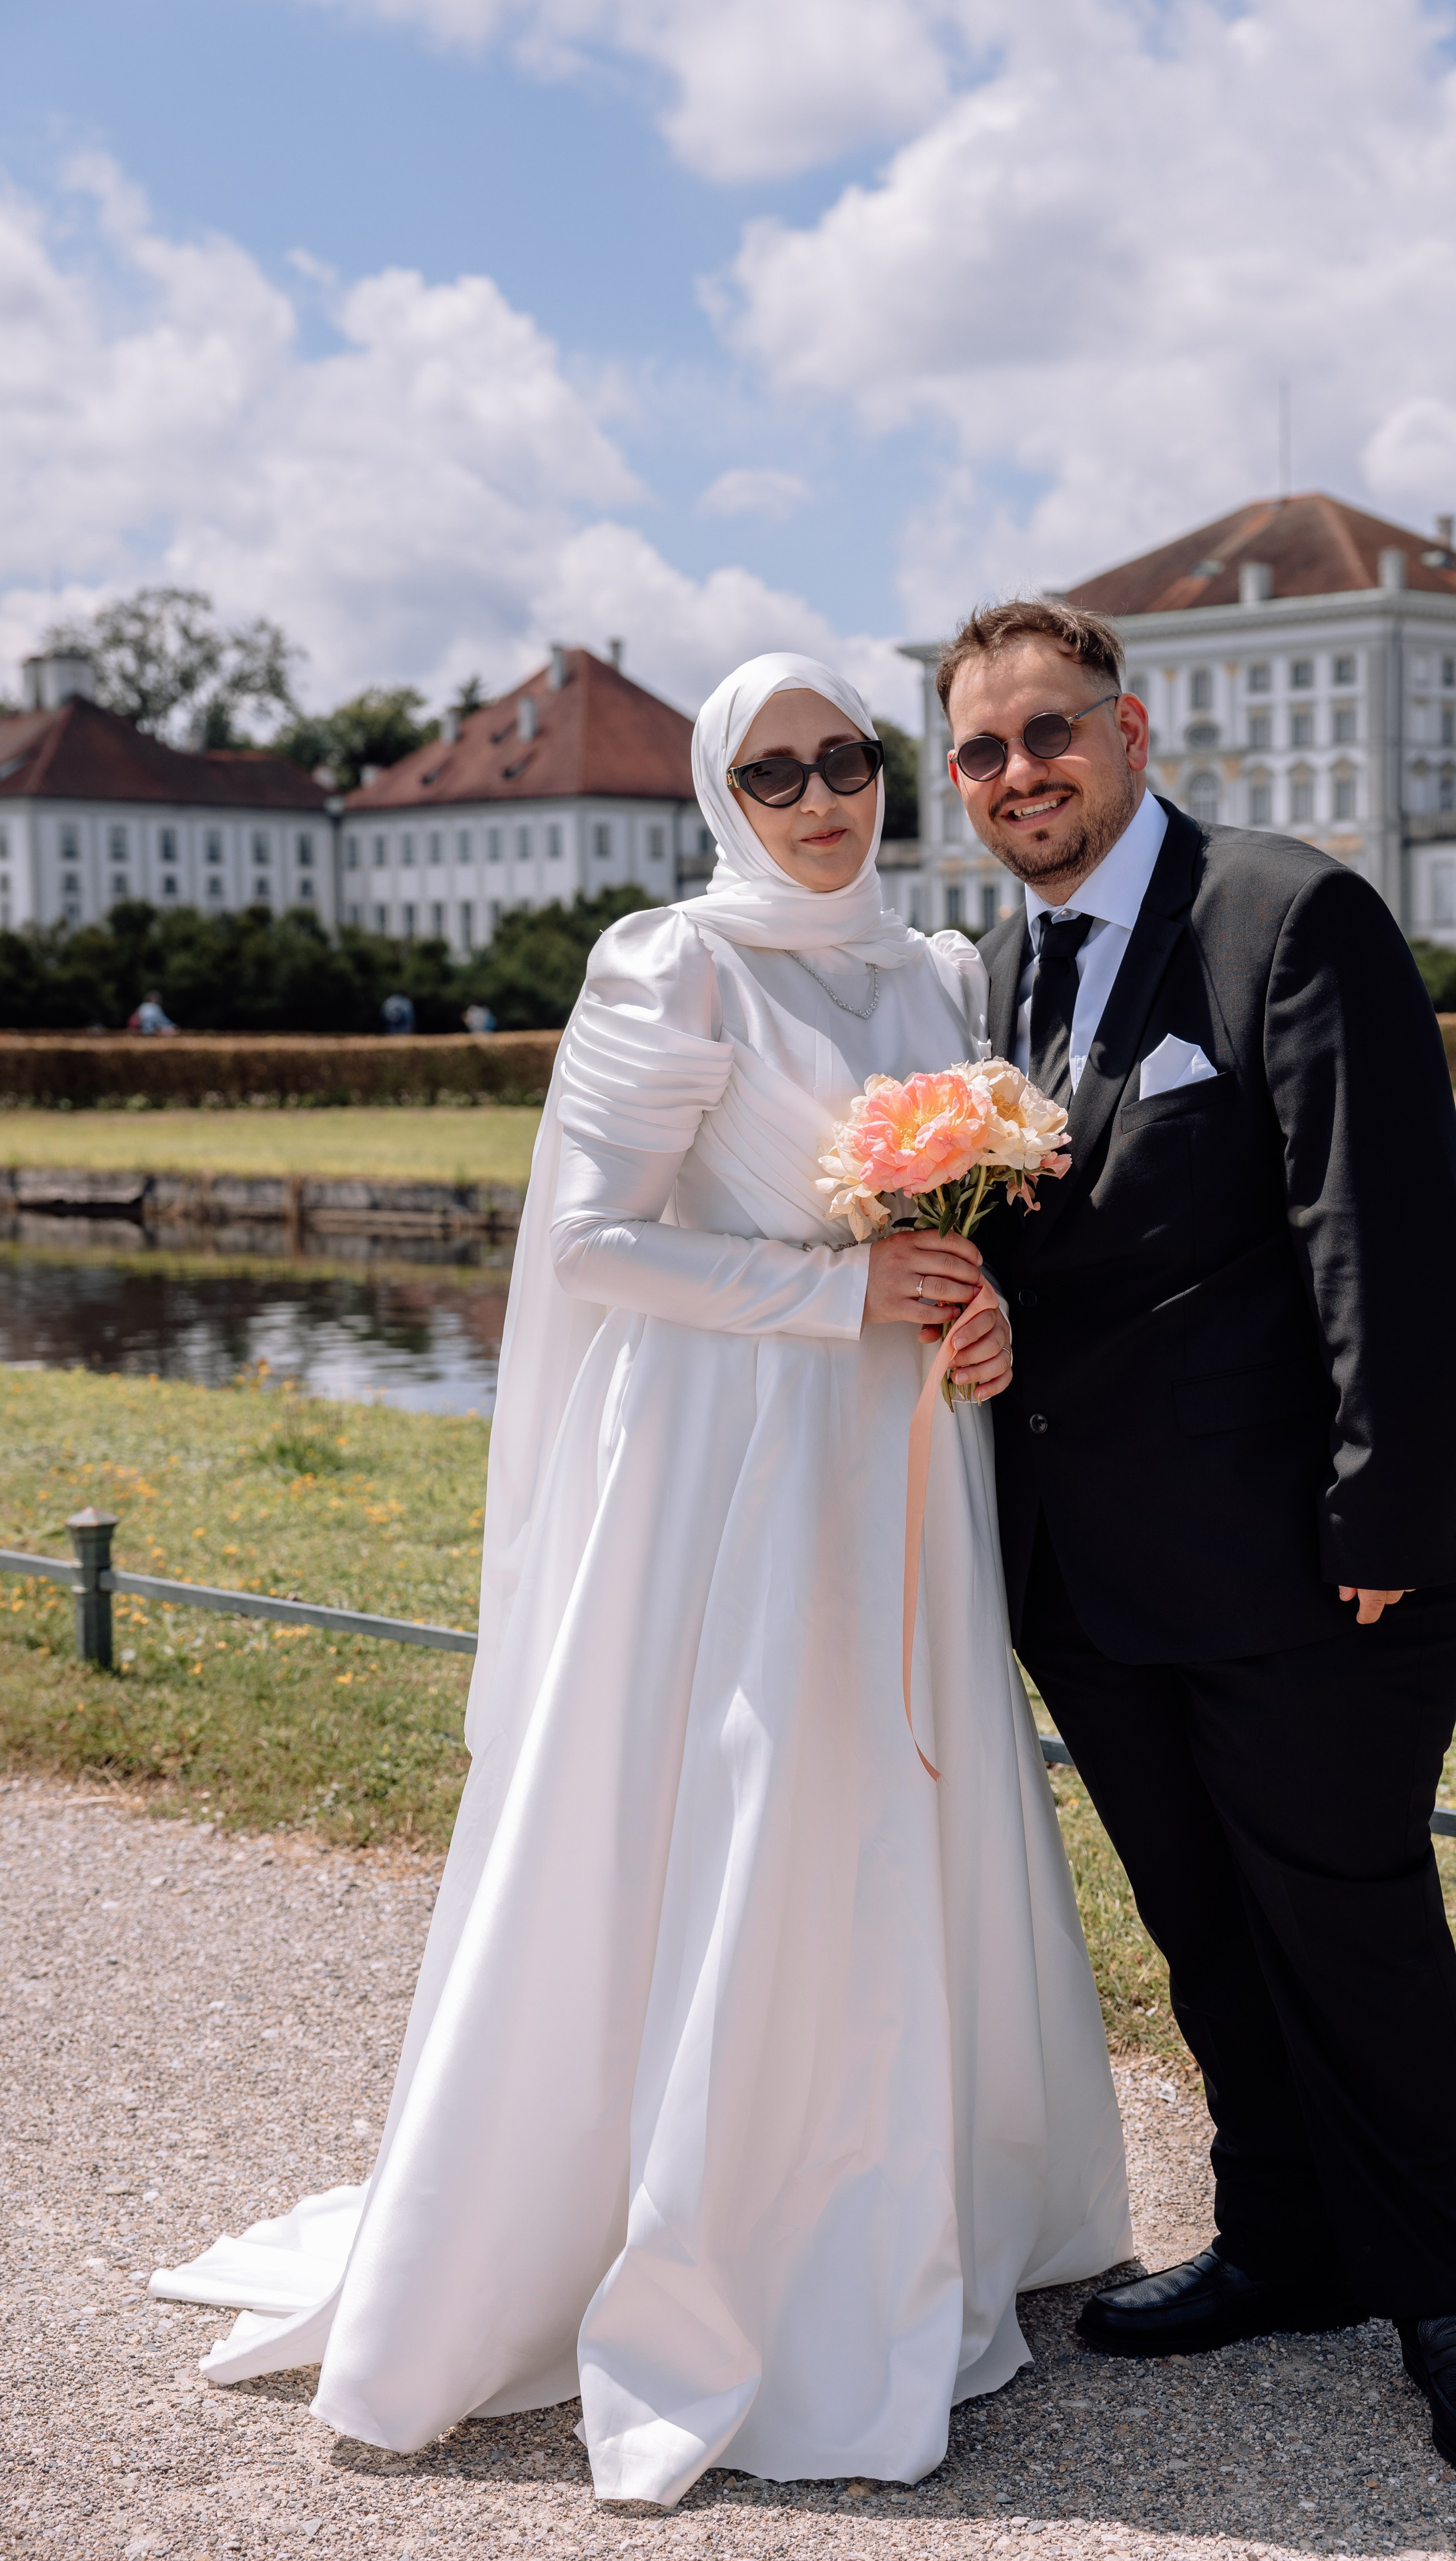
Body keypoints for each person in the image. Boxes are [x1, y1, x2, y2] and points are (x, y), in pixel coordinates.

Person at [151, 653, 1130, 2506]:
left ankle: (917, 2198)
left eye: (848, 759)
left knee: (889, 1798)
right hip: (730, 1479)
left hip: (903, 1469)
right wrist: (828, 1296)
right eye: (775, 774)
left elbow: (957, 1228)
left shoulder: (937, 971)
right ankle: (713, 2232)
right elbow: (593, 1244)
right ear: (716, 795)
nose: (823, 796)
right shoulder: (667, 964)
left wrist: (968, 1310)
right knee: (750, 1808)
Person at [940, 599, 1456, 2491]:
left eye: (1048, 732)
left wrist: (1384, 1504)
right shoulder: (993, 981)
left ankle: (1451, 2301)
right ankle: (1286, 2244)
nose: (1018, 772)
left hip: (1312, 1566)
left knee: (1347, 1926)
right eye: (980, 751)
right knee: (1207, 1932)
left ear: (1129, 733)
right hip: (1095, 1579)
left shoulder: (1288, 916)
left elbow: (1382, 1229)